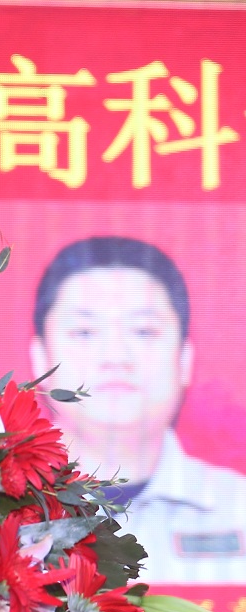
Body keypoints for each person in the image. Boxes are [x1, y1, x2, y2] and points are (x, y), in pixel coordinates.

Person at [29, 236, 246, 583]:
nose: (116, 357)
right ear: (40, 359)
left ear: (185, 360)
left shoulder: (238, 507)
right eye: (84, 332)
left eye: (144, 331)